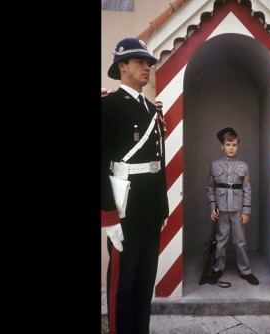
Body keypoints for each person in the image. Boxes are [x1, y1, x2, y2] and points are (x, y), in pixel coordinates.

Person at [101, 37, 169, 334]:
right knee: (124, 285)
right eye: (140, 62)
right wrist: (108, 217)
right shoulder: (109, 106)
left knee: (144, 283)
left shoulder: (153, 111)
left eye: (149, 63)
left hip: (150, 209)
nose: (147, 67)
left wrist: (162, 208)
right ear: (122, 66)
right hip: (123, 209)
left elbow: (158, 162)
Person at [206, 127, 259, 285]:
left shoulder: (243, 166)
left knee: (240, 241)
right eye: (228, 144)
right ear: (222, 146)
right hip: (221, 209)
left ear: (238, 146)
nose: (231, 148)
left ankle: (245, 270)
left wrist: (246, 211)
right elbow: (210, 187)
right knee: (220, 240)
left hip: (237, 210)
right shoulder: (215, 165)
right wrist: (212, 206)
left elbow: (247, 189)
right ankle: (218, 268)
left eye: (234, 145)